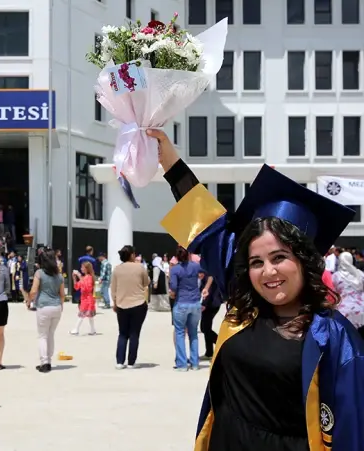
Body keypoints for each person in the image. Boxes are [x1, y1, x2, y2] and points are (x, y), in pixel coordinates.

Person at [149, 127, 364, 450]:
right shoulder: (244, 305)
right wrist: (170, 163)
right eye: (256, 262)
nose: (269, 272)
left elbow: (352, 431)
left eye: (280, 257)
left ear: (305, 261)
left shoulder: (335, 338)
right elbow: (208, 228)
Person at [169, 246, 210, 372]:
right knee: (194, 334)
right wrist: (205, 287)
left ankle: (182, 364)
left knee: (180, 333)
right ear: (188, 255)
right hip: (195, 302)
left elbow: (174, 287)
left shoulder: (175, 269)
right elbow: (208, 272)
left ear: (176, 257)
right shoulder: (195, 266)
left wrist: (172, 293)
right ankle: (195, 363)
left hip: (181, 302)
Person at [111, 245, 150, 369]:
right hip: (138, 303)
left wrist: (115, 302)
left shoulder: (117, 269)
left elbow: (113, 288)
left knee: (122, 333)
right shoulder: (140, 268)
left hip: (122, 304)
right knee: (134, 333)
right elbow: (146, 282)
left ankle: (119, 361)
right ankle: (131, 362)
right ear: (132, 255)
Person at [28, 249, 65, 373]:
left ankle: (44, 362)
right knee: (51, 334)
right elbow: (62, 294)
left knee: (42, 336)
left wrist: (28, 301)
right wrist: (61, 305)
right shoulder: (59, 275)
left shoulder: (39, 273)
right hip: (56, 307)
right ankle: (49, 360)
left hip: (44, 306)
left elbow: (33, 291)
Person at [332, 252, 364, 339]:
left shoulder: (336, 276)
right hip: (361, 310)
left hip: (343, 311)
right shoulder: (360, 274)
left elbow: (333, 294)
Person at [70, 261, 97, 335]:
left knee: (82, 314)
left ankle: (76, 329)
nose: (81, 269)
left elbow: (86, 288)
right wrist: (74, 278)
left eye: (82, 267)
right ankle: (93, 330)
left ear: (87, 269)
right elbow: (76, 287)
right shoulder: (84, 277)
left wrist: (79, 276)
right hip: (84, 298)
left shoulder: (89, 277)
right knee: (90, 315)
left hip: (88, 299)